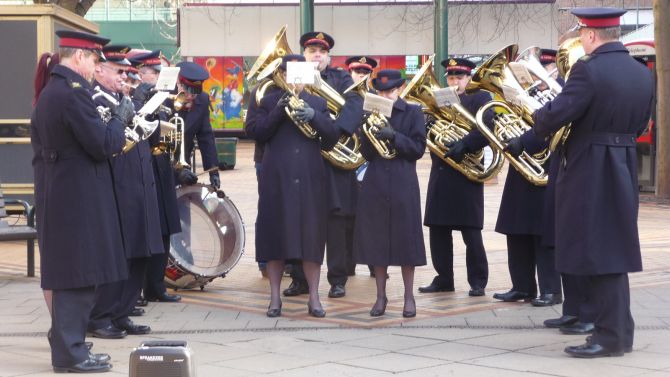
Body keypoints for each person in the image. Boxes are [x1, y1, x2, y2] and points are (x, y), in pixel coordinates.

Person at [505, 7, 654, 358]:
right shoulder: (641, 72)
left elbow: (558, 115)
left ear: (590, 36)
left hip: (591, 167)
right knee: (614, 250)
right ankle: (619, 332)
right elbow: (641, 125)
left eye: (581, 37)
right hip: (624, 163)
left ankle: (608, 336)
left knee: (596, 251)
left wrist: (536, 114)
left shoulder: (588, 70)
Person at [31, 30, 130, 373]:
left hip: (63, 193)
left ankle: (68, 345)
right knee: (78, 276)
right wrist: (119, 119)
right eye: (93, 60)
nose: (94, 68)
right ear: (79, 58)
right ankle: (71, 353)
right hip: (76, 196)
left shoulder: (55, 91)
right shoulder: (73, 94)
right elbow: (102, 144)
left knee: (75, 273)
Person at [245, 54, 339, 318]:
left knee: (311, 238)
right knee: (275, 235)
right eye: (288, 73)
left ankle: (314, 297)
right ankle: (274, 299)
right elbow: (255, 132)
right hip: (277, 177)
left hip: (310, 177)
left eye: (299, 74)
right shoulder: (267, 99)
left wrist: (315, 117)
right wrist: (278, 111)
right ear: (282, 74)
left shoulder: (318, 102)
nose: (294, 79)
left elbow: (331, 139)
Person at [88, 44, 161, 339]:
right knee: (119, 254)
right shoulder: (95, 99)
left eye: (128, 73)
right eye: (119, 71)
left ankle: (122, 312)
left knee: (139, 251)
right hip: (117, 184)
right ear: (100, 70)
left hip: (139, 182)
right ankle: (101, 315)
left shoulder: (121, 98)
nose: (124, 78)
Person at [283, 31, 364, 299]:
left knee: (336, 222)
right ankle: (299, 279)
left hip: (334, 160)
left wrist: (332, 129)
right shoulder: (296, 75)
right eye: (311, 50)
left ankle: (338, 279)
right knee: (301, 219)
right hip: (305, 158)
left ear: (328, 55)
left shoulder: (342, 78)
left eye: (321, 51)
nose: (317, 54)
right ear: (304, 55)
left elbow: (355, 105)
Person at [353, 69, 426, 317]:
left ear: (399, 89)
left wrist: (394, 136)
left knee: (407, 241)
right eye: (382, 91)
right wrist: (365, 132)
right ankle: (380, 296)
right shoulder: (369, 112)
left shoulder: (413, 112)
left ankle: (408, 296)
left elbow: (417, 148)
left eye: (390, 91)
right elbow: (366, 153)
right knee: (377, 242)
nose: (386, 95)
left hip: (403, 181)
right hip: (376, 182)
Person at [419, 58, 492, 297]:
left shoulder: (480, 98)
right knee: (438, 230)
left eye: (459, 77)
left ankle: (478, 281)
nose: (454, 82)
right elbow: (429, 130)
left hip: (466, 172)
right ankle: (444, 278)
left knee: (471, 232)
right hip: (442, 171)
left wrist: (465, 143)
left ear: (468, 78)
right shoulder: (439, 99)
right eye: (451, 78)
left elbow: (487, 127)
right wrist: (428, 125)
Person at [131, 50, 188, 303]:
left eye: (158, 73)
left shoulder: (162, 99)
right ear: (140, 73)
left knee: (164, 229)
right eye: (152, 73)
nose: (156, 77)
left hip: (163, 166)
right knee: (146, 229)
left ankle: (157, 286)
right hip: (143, 168)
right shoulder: (135, 98)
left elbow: (169, 133)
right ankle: (139, 289)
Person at [175, 61, 221, 188]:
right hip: (163, 166)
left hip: (185, 164)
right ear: (178, 83)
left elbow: (206, 138)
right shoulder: (164, 97)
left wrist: (213, 171)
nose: (190, 96)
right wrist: (176, 169)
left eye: (194, 93)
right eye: (187, 91)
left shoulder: (203, 99)